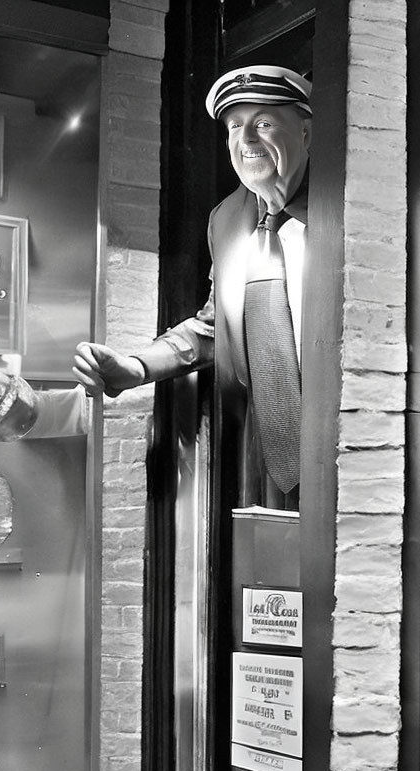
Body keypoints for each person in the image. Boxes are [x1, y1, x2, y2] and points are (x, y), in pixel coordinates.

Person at [72, 64, 313, 510]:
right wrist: (136, 367)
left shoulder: (350, 213)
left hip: (348, 435)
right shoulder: (227, 219)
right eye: (235, 127)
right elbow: (213, 327)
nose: (246, 141)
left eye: (263, 123)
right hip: (261, 446)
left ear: (306, 133)